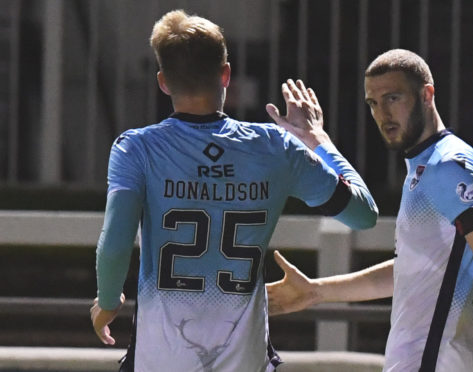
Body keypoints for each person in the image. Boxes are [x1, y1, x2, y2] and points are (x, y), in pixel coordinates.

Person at [89, 9, 378, 372]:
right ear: (226, 74)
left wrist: (108, 301)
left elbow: (115, 242)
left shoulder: (138, 148)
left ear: (163, 81)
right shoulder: (276, 147)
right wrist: (317, 140)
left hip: (159, 358)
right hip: (244, 358)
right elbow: (363, 214)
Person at [267, 49, 473, 372]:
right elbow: (415, 269)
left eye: (393, 98)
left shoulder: (449, 166)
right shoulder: (424, 166)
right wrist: (317, 291)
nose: (382, 113)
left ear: (427, 95)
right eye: (373, 103)